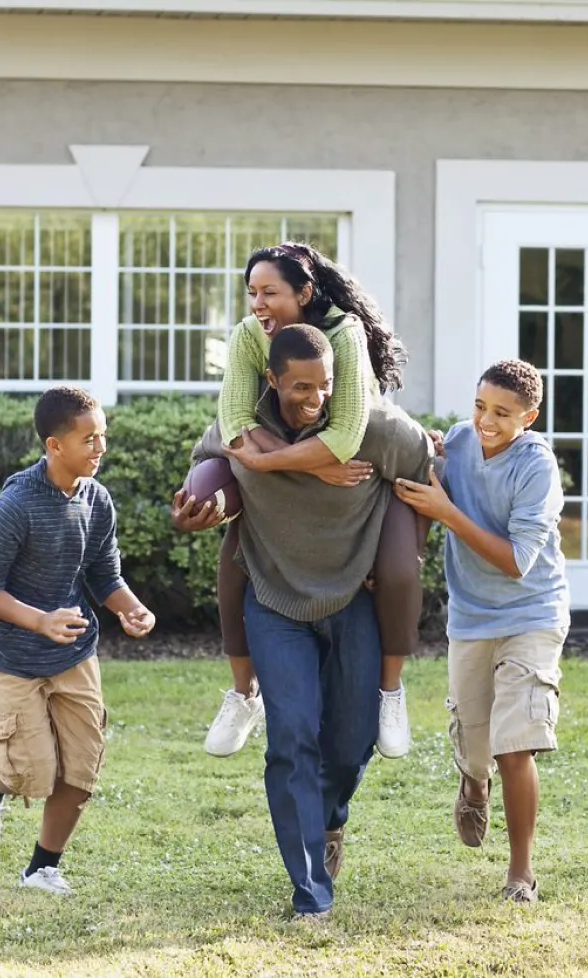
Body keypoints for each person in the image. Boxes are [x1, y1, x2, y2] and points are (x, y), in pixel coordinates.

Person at [173, 324, 432, 919]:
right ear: (271, 380)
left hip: (354, 600)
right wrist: (196, 510)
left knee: (348, 742)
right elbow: (207, 477)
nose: (314, 399)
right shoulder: (238, 430)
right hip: (274, 600)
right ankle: (311, 891)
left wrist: (400, 557)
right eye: (299, 389)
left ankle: (329, 819)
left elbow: (425, 473)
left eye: (325, 387)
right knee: (292, 738)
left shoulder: (373, 426)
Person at [202, 242, 423, 761]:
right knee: (235, 563)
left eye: (270, 292)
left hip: (377, 450)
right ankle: (242, 694)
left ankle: (391, 692)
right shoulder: (249, 335)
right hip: (292, 455)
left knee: (398, 573)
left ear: (304, 293)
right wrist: (270, 460)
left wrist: (264, 460)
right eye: (251, 292)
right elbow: (236, 423)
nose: (257, 303)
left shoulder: (343, 334)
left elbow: (346, 438)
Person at [0, 386, 156, 895]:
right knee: (32, 773)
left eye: (103, 437)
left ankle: (42, 868)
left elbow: (103, 574)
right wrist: (40, 621)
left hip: (73, 652)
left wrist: (129, 608)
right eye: (89, 440)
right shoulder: (19, 502)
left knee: (82, 766)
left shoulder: (97, 499)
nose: (100, 449)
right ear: (54, 446)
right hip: (13, 655)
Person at [392, 359, 569, 904]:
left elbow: (518, 560)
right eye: (479, 407)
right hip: (472, 617)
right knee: (476, 744)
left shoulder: (537, 469)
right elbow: (422, 469)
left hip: (533, 614)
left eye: (502, 414)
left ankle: (521, 875)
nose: (486, 421)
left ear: (530, 417)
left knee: (516, 744)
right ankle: (474, 782)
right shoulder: (464, 442)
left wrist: (446, 512)